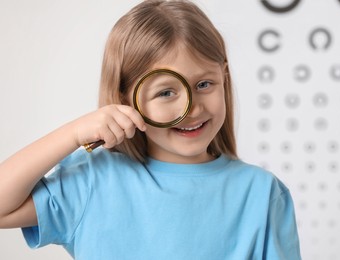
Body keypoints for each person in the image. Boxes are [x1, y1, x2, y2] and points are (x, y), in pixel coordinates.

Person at [0, 0, 301, 259]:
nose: (192, 107)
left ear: (224, 77)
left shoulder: (261, 193)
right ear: (123, 101)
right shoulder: (93, 180)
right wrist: (73, 134)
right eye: (166, 92)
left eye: (204, 84)